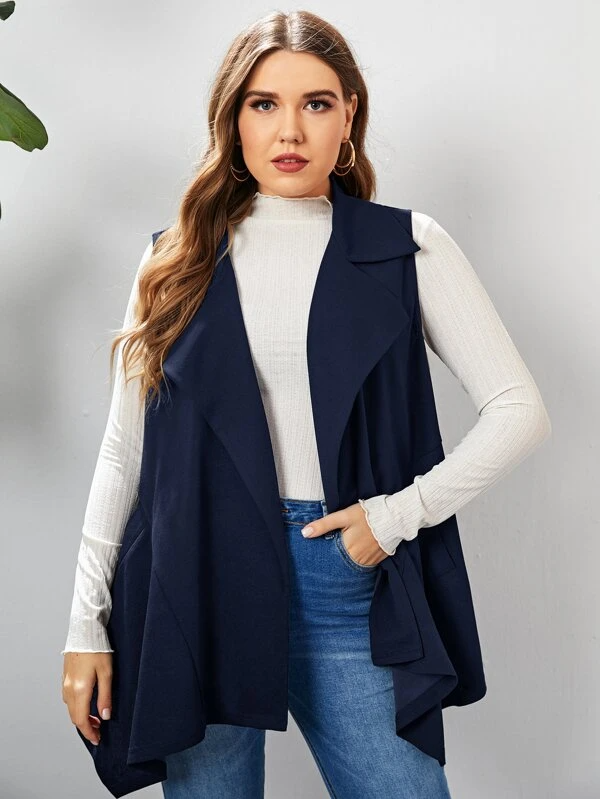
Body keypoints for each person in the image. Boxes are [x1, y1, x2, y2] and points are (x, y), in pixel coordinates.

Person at [61, 10, 551, 798]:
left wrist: (394, 516)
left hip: (341, 579)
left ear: (348, 115)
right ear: (234, 119)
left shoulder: (406, 246)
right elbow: (125, 451)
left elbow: (519, 408)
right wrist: (85, 624)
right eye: (264, 103)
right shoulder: (175, 257)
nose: (290, 129)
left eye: (316, 103)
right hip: (196, 579)